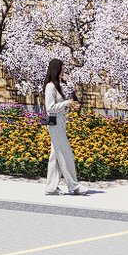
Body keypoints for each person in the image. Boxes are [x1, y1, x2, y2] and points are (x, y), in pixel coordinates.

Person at [40, 58, 80, 195]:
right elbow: (50, 108)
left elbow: (59, 107)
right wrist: (66, 103)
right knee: (66, 155)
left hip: (60, 124)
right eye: (62, 69)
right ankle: (74, 186)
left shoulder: (57, 86)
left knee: (55, 156)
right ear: (56, 69)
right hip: (55, 125)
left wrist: (69, 106)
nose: (63, 71)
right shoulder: (50, 87)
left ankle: (51, 188)